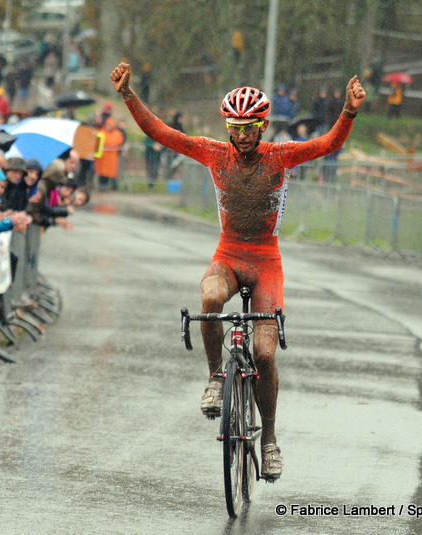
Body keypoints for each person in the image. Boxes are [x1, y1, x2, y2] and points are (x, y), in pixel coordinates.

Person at [111, 61, 366, 482]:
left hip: (266, 260)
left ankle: (268, 440)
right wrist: (127, 94)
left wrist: (349, 111)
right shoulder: (214, 152)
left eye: (249, 128)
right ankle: (214, 378)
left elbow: (328, 145)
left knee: (264, 354)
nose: (242, 135)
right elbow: (162, 133)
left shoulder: (280, 156)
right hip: (228, 252)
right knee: (210, 297)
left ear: (263, 126)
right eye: (235, 127)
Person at [94, 118, 125, 190]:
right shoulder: (101, 132)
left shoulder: (117, 134)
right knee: (102, 172)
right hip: (103, 157)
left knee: (110, 173)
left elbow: (119, 143)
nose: (108, 126)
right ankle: (102, 185)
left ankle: (111, 186)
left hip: (112, 157)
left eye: (110, 125)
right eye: (107, 124)